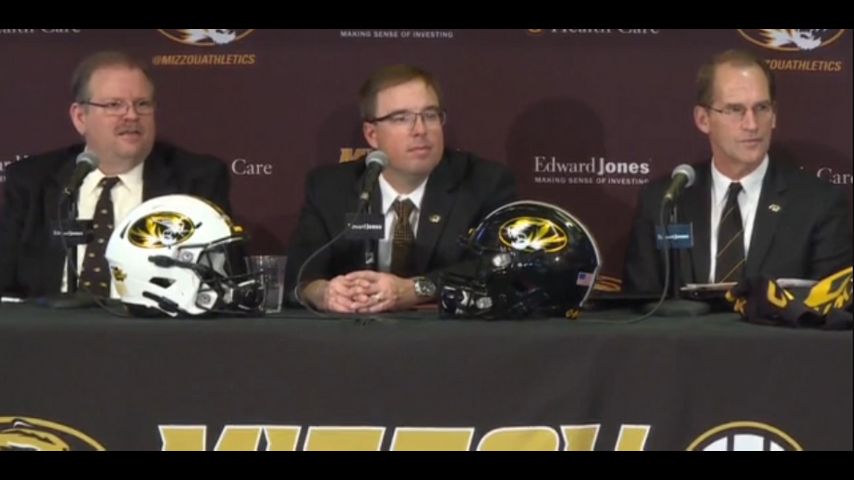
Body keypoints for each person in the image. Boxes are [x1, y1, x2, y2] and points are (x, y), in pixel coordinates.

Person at [285, 64, 516, 313]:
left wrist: (415, 289)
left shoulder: (484, 183)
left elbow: (500, 265)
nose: (420, 130)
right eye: (401, 118)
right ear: (372, 134)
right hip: (353, 333)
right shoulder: (330, 188)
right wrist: (322, 293)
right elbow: (299, 274)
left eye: (430, 115)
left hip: (448, 335)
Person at [0, 51, 230, 299]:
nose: (131, 115)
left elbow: (221, 281)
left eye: (142, 104)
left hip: (152, 322)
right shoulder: (32, 181)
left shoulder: (195, 180)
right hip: (47, 323)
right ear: (80, 117)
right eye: (114, 105)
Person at [623, 49, 851, 293]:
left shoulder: (818, 204)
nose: (751, 124)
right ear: (703, 119)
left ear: (774, 115)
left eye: (761, 108)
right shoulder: (664, 201)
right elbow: (639, 303)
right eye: (735, 110)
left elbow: (831, 306)